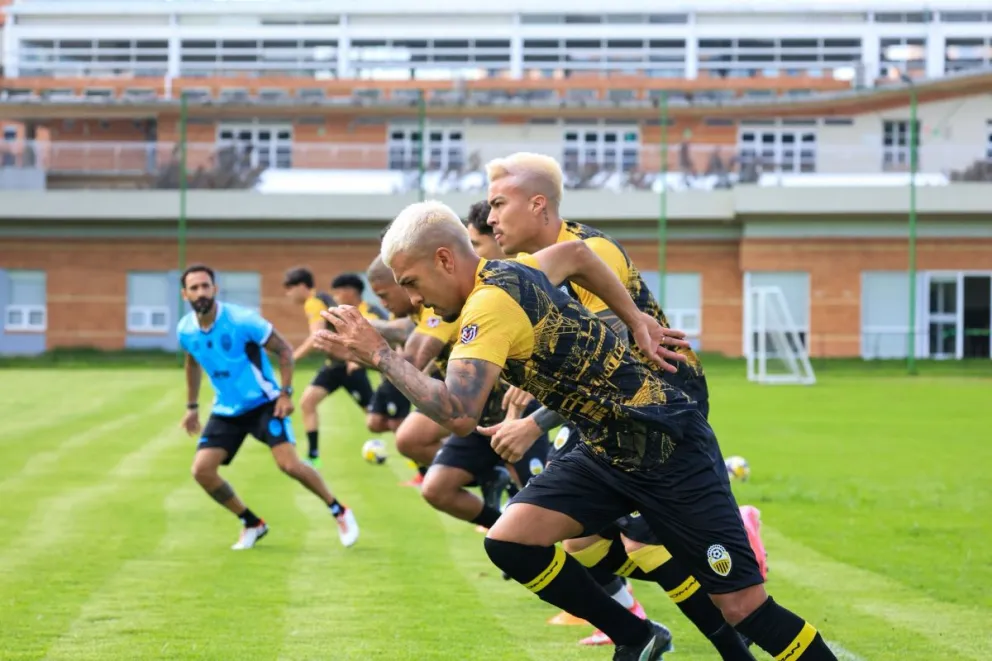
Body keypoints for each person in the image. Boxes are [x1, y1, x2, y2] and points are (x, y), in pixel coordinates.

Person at [316, 202, 837, 661]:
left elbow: (458, 414)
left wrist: (379, 355)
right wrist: (635, 320)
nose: (414, 300)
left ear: (445, 260)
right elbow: (578, 256)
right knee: (511, 540)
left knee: (744, 608)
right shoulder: (514, 269)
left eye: (411, 282)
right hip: (605, 451)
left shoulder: (488, 307)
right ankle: (637, 636)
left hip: (666, 447)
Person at [481, 152, 760, 657]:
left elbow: (608, 357)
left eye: (499, 204)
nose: (491, 218)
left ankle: (686, 623)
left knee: (642, 544)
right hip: (608, 411)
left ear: (538, 204)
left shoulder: (591, 252)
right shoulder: (537, 268)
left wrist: (534, 423)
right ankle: (654, 621)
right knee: (580, 543)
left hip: (659, 404)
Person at [178, 264, 359, 550]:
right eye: (194, 288)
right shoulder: (186, 329)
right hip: (227, 409)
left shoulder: (241, 320)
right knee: (202, 470)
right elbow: (192, 363)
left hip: (264, 403)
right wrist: (191, 406)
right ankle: (252, 523)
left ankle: (339, 510)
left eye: (205, 286)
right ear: (185, 294)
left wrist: (285, 394)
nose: (201, 292)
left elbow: (284, 349)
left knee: (289, 465)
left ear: (215, 289)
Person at [283, 267, 374, 467]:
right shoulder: (321, 300)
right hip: (334, 365)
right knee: (307, 402)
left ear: (301, 286)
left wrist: (291, 358)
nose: (288, 294)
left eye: (289, 288)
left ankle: (419, 458)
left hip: (348, 364)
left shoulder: (313, 302)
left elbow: (317, 337)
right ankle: (313, 457)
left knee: (377, 418)